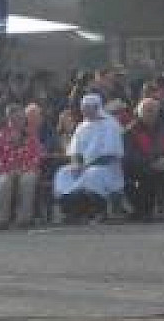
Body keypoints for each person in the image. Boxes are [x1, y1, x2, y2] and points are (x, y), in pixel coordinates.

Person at [53, 94, 125, 225]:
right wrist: (76, 164)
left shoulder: (111, 125)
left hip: (106, 167)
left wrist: (86, 166)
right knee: (63, 173)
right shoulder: (82, 126)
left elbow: (111, 154)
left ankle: (100, 211)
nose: (84, 111)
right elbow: (74, 151)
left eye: (87, 108)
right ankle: (71, 212)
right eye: (83, 108)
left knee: (92, 174)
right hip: (83, 166)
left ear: (96, 107)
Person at [124, 98, 164, 222]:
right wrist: (151, 162)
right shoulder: (130, 131)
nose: (151, 114)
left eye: (153, 111)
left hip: (162, 165)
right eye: (147, 111)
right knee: (147, 176)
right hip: (140, 168)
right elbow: (130, 155)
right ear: (139, 112)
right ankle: (144, 211)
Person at [0, 104, 42, 229]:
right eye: (16, 118)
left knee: (27, 180)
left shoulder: (30, 135)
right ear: (9, 118)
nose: (19, 121)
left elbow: (35, 156)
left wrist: (23, 169)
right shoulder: (0, 135)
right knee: (4, 182)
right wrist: (9, 170)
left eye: (21, 118)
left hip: (27, 169)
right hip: (7, 170)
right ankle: (2, 219)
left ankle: (24, 219)